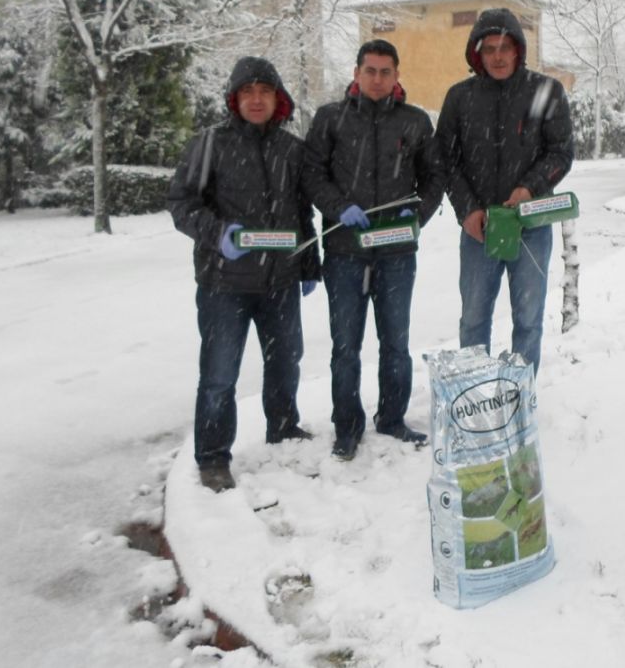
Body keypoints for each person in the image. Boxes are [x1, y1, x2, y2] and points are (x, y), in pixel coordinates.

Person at [168, 56, 320, 492]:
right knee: (219, 374)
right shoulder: (209, 144)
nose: (257, 100)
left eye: (265, 92)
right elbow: (182, 203)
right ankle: (213, 456)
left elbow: (301, 212)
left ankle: (284, 425)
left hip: (280, 281)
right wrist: (219, 234)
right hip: (224, 285)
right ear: (235, 99)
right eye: (248, 92)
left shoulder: (291, 149)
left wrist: (309, 264)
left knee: (286, 360)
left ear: (278, 99)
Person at [304, 39, 445, 461]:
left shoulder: (415, 122)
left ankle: (392, 417)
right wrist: (336, 207)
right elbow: (312, 173)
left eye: (386, 71)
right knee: (345, 345)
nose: (378, 79)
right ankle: (346, 427)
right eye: (371, 70)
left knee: (395, 342)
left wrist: (415, 213)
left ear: (397, 75)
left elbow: (434, 178)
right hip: (346, 250)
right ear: (357, 73)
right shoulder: (331, 119)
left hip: (397, 251)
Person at [435, 8, 573, 375]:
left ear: (518, 50)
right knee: (474, 318)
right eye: (489, 48)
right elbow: (446, 162)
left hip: (530, 226)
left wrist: (530, 187)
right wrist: (467, 210)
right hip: (479, 229)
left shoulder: (546, 92)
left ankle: (518, 393)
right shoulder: (460, 98)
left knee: (528, 318)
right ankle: (477, 391)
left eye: (505, 48)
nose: (497, 56)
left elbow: (561, 152)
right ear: (477, 54)